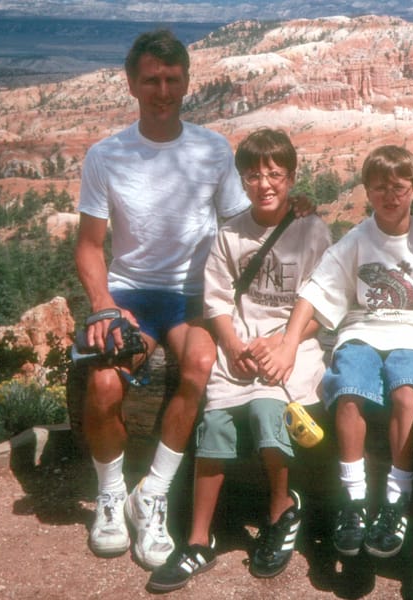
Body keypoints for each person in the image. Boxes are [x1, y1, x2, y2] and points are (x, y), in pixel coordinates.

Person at [74, 29, 251, 570]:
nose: (162, 89)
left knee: (199, 363)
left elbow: (240, 225)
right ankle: (110, 494)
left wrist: (290, 214)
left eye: (172, 79)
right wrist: (104, 304)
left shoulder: (212, 149)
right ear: (132, 84)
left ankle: (150, 493)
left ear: (188, 82)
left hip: (194, 291)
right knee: (104, 384)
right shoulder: (106, 156)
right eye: (151, 79)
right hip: (128, 292)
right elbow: (88, 245)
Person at [146, 128, 331, 592]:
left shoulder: (313, 230)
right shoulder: (230, 235)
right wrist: (230, 345)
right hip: (241, 347)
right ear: (242, 180)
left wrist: (284, 345)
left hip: (293, 345)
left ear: (291, 177)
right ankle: (198, 538)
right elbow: (218, 302)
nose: (265, 184)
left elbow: (325, 307)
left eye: (275, 174)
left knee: (271, 411)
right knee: (214, 423)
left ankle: (280, 509)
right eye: (253, 175)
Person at [262, 145, 413, 560]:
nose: (389, 196)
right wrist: (288, 344)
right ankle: (354, 498)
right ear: (367, 191)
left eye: (399, 187)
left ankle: (397, 497)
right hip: (362, 328)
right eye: (379, 188)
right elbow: (315, 292)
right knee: (348, 391)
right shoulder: (358, 238)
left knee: (407, 393)